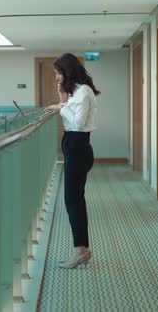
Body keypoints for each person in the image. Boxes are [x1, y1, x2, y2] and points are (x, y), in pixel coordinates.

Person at [44, 53, 100, 269]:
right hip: (73, 144)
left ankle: (80, 250)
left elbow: (77, 122)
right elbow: (70, 114)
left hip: (78, 145)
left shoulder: (83, 92)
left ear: (68, 71)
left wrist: (63, 105)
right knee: (74, 199)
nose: (57, 76)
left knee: (72, 200)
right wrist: (62, 100)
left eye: (59, 72)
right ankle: (82, 249)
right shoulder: (76, 91)